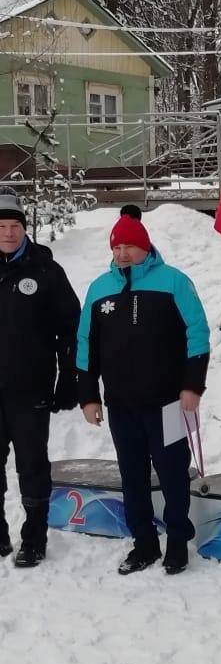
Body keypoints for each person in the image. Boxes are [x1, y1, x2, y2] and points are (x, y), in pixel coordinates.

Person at [77, 205, 210, 576]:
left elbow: (197, 333)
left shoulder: (173, 282)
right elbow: (86, 343)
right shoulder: (100, 289)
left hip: (169, 403)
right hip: (121, 405)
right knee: (132, 475)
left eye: (128, 247)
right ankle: (144, 543)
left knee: (172, 474)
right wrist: (88, 395)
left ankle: (178, 541)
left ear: (145, 247)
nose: (121, 254)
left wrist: (192, 385)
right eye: (116, 248)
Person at [0, 188, 80, 567]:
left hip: (29, 388)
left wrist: (68, 377)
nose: (9, 232)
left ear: (24, 228)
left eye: (14, 225)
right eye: (1, 226)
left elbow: (70, 328)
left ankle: (34, 537)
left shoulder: (46, 271)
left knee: (32, 465)